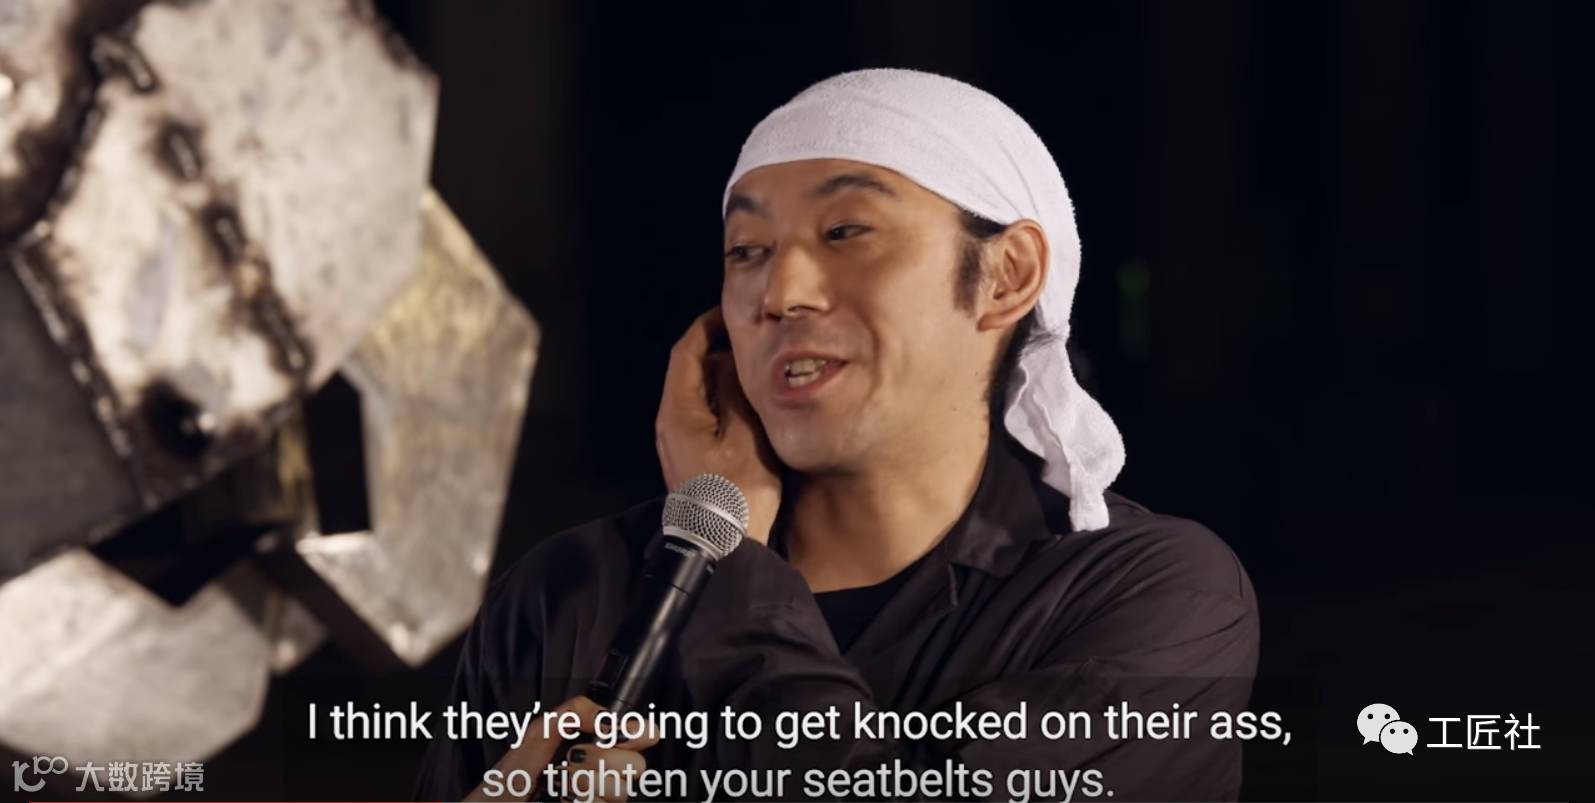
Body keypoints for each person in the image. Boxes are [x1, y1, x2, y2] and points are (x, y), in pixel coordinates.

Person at [416, 68, 1259, 802]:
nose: (780, 291)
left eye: (846, 232)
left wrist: (727, 557)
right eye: (746, 249)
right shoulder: (572, 592)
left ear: (1006, 276)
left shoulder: (1151, 600)